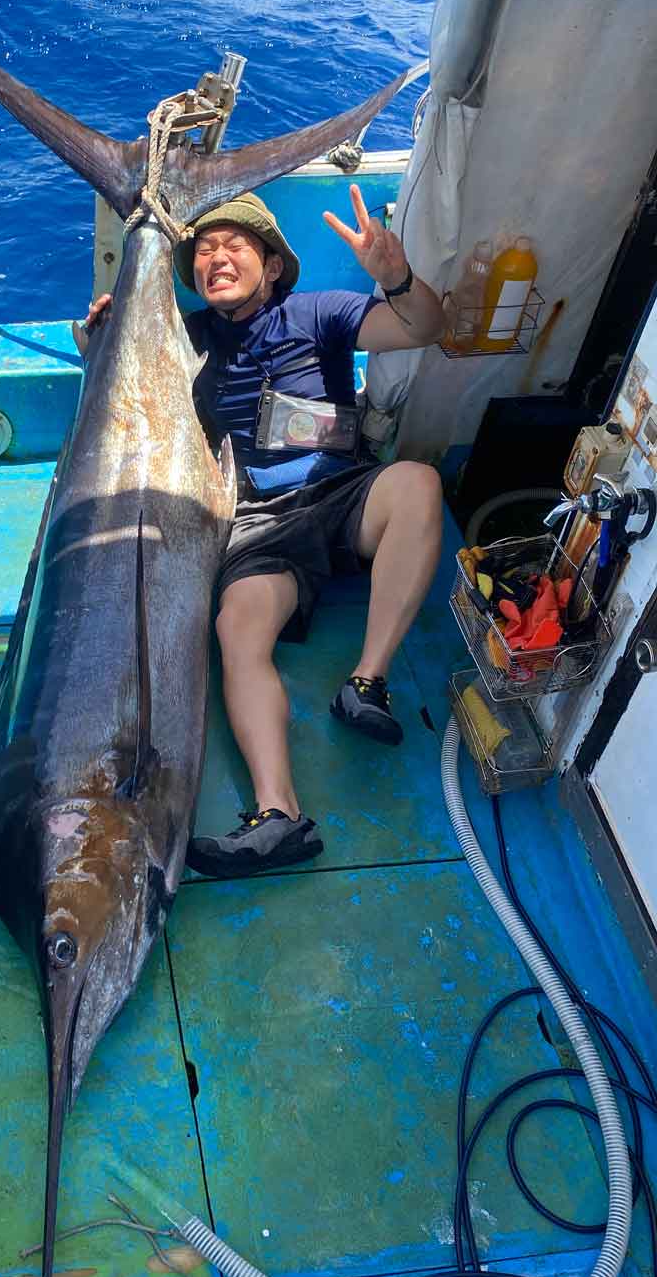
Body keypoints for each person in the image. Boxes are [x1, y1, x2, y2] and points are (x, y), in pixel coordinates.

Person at [75, 185, 445, 877]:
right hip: (256, 521)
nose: (215, 258)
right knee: (236, 631)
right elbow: (120, 376)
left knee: (419, 484)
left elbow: (423, 327)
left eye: (233, 245)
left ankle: (366, 682)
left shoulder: (320, 311)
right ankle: (280, 817)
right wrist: (98, 342)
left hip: (344, 491)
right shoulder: (188, 337)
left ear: (272, 265)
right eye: (204, 251)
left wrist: (394, 277)